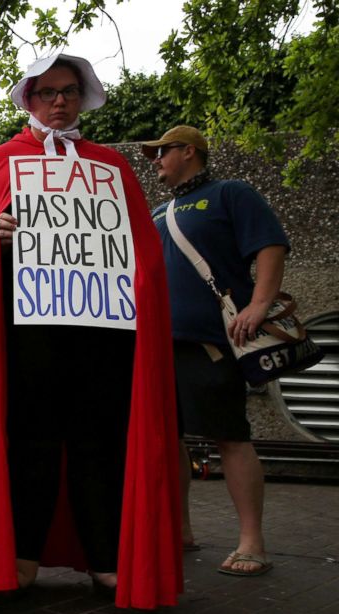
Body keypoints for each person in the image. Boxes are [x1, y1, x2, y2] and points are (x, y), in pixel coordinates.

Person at [0, 52, 181, 609]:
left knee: (98, 441)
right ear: (28, 99)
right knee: (29, 439)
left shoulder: (110, 168)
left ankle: (107, 561)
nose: (59, 101)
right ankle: (19, 557)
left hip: (101, 336)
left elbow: (143, 256)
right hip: (26, 335)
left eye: (69, 91)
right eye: (47, 92)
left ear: (83, 97)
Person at [143, 125, 287, 577]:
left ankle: (252, 543)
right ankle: (181, 530)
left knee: (230, 437)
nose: (155, 160)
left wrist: (260, 305)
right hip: (160, 345)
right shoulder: (159, 211)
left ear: (189, 151)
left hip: (212, 342)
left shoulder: (231, 193)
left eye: (162, 151)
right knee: (170, 441)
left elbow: (270, 245)